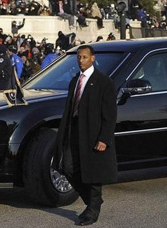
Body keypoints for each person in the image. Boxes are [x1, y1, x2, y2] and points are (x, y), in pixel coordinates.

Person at [52, 45, 117, 226]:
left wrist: (104, 138)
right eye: (79, 57)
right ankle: (93, 201)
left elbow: (110, 114)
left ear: (93, 58)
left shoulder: (104, 82)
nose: (81, 61)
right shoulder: (75, 81)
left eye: (84, 57)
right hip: (74, 130)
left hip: (93, 133)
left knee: (94, 173)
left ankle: (92, 211)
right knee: (68, 166)